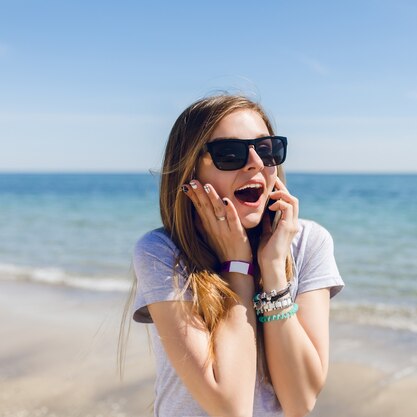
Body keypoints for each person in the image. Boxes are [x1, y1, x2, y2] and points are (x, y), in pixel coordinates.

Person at [129, 94, 344, 417]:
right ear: (189, 172)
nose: (256, 163)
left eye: (267, 149)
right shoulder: (163, 253)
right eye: (230, 153)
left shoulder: (308, 242)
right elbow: (230, 408)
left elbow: (300, 402)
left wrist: (273, 269)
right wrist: (238, 266)